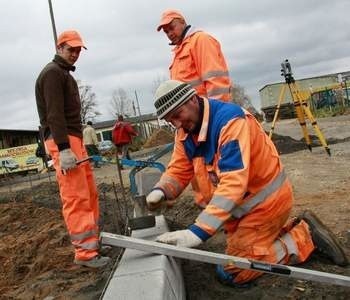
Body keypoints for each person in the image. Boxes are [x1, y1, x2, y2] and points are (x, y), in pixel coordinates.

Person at [146, 80, 348, 286]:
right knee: (241, 251)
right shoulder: (186, 132)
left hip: (265, 206)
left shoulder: (230, 123)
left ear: (191, 100)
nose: (177, 125)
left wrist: (198, 231)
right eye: (170, 121)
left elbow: (233, 183)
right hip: (240, 212)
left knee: (233, 271)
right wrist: (162, 190)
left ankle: (304, 237)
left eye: (177, 115)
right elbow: (180, 168)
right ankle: (286, 231)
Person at [35, 30, 110, 268]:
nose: (75, 54)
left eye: (78, 50)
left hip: (73, 138)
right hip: (64, 139)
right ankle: (85, 254)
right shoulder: (52, 74)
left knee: (88, 193)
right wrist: (64, 148)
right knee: (76, 197)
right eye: (71, 50)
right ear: (59, 48)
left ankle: (92, 243)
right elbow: (54, 114)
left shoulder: (63, 74)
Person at [157, 9, 232, 102]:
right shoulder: (179, 51)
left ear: (182, 22)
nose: (170, 34)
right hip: (194, 113)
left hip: (207, 111)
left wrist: (216, 111)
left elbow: (216, 81)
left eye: (172, 28)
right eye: (166, 31)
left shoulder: (200, 40)